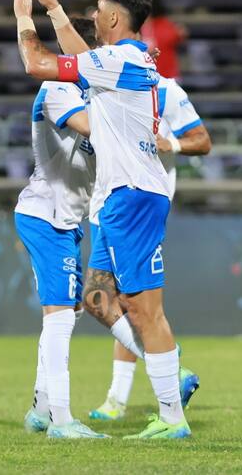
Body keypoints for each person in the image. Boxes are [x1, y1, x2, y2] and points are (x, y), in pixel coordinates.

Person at [11, 0, 191, 439]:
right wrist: (54, 8)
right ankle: (169, 400)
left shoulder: (118, 61)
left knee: (143, 307)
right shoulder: (128, 61)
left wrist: (26, 18)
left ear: (114, 20)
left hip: (131, 196)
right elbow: (82, 58)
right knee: (109, 299)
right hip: (125, 195)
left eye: (98, 10)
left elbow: (38, 63)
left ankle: (173, 419)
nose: (93, 16)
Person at [88, 74, 211, 421]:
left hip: (137, 207)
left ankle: (136, 394)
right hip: (104, 204)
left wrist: (171, 144)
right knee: (112, 302)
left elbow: (202, 140)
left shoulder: (164, 89)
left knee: (128, 302)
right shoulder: (102, 81)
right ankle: (140, 386)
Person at [16, 15, 102, 439]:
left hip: (67, 216)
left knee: (65, 310)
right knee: (60, 315)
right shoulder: (59, 88)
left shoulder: (92, 90)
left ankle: (41, 406)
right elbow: (91, 128)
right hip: (45, 213)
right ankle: (62, 419)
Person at [140, 0, 186, 80]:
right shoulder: (171, 27)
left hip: (154, 77)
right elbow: (181, 34)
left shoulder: (143, 28)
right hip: (166, 77)